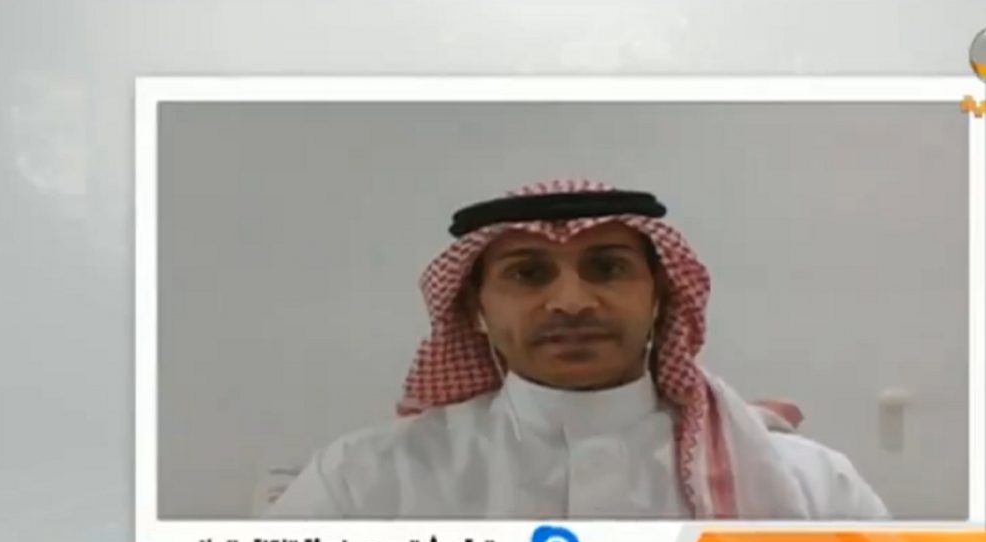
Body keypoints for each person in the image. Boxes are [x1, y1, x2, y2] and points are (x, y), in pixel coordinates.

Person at [267, 180, 889, 520]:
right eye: (527, 273)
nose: (570, 301)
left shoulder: (810, 484)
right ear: (476, 308)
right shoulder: (364, 481)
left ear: (659, 296)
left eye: (608, 268)